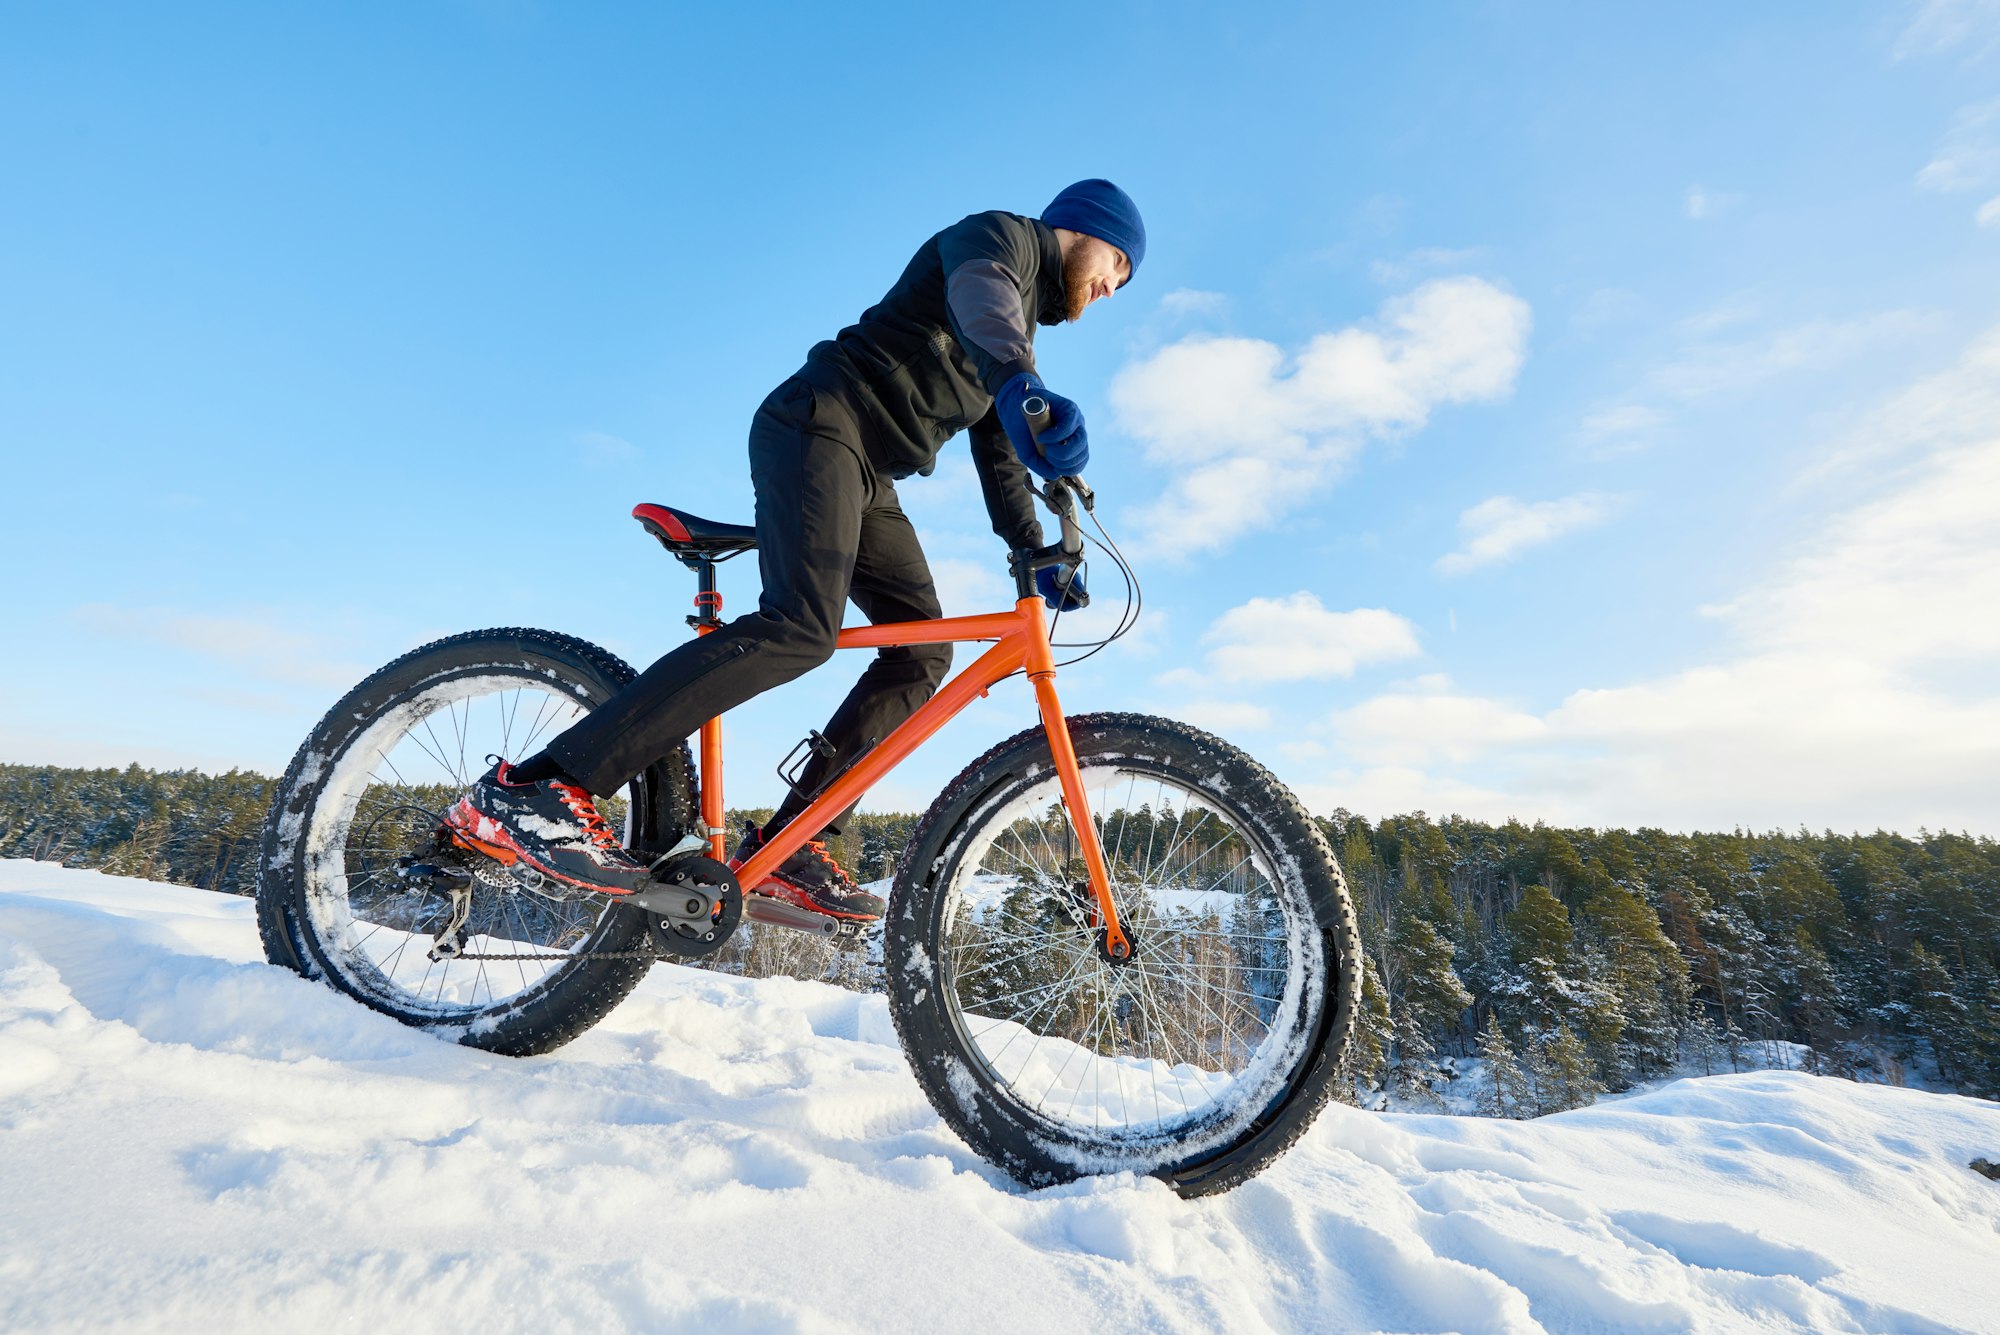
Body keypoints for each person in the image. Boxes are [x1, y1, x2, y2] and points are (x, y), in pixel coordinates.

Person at [443, 180, 1146, 922]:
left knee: (922, 653)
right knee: (801, 625)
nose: (1112, 286)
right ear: (1083, 227)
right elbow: (982, 295)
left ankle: (793, 845)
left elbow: (1001, 454)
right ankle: (542, 786)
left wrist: (1033, 548)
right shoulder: (996, 240)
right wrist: (1019, 381)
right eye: (1118, 264)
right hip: (816, 421)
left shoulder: (1015, 337)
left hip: (868, 471)